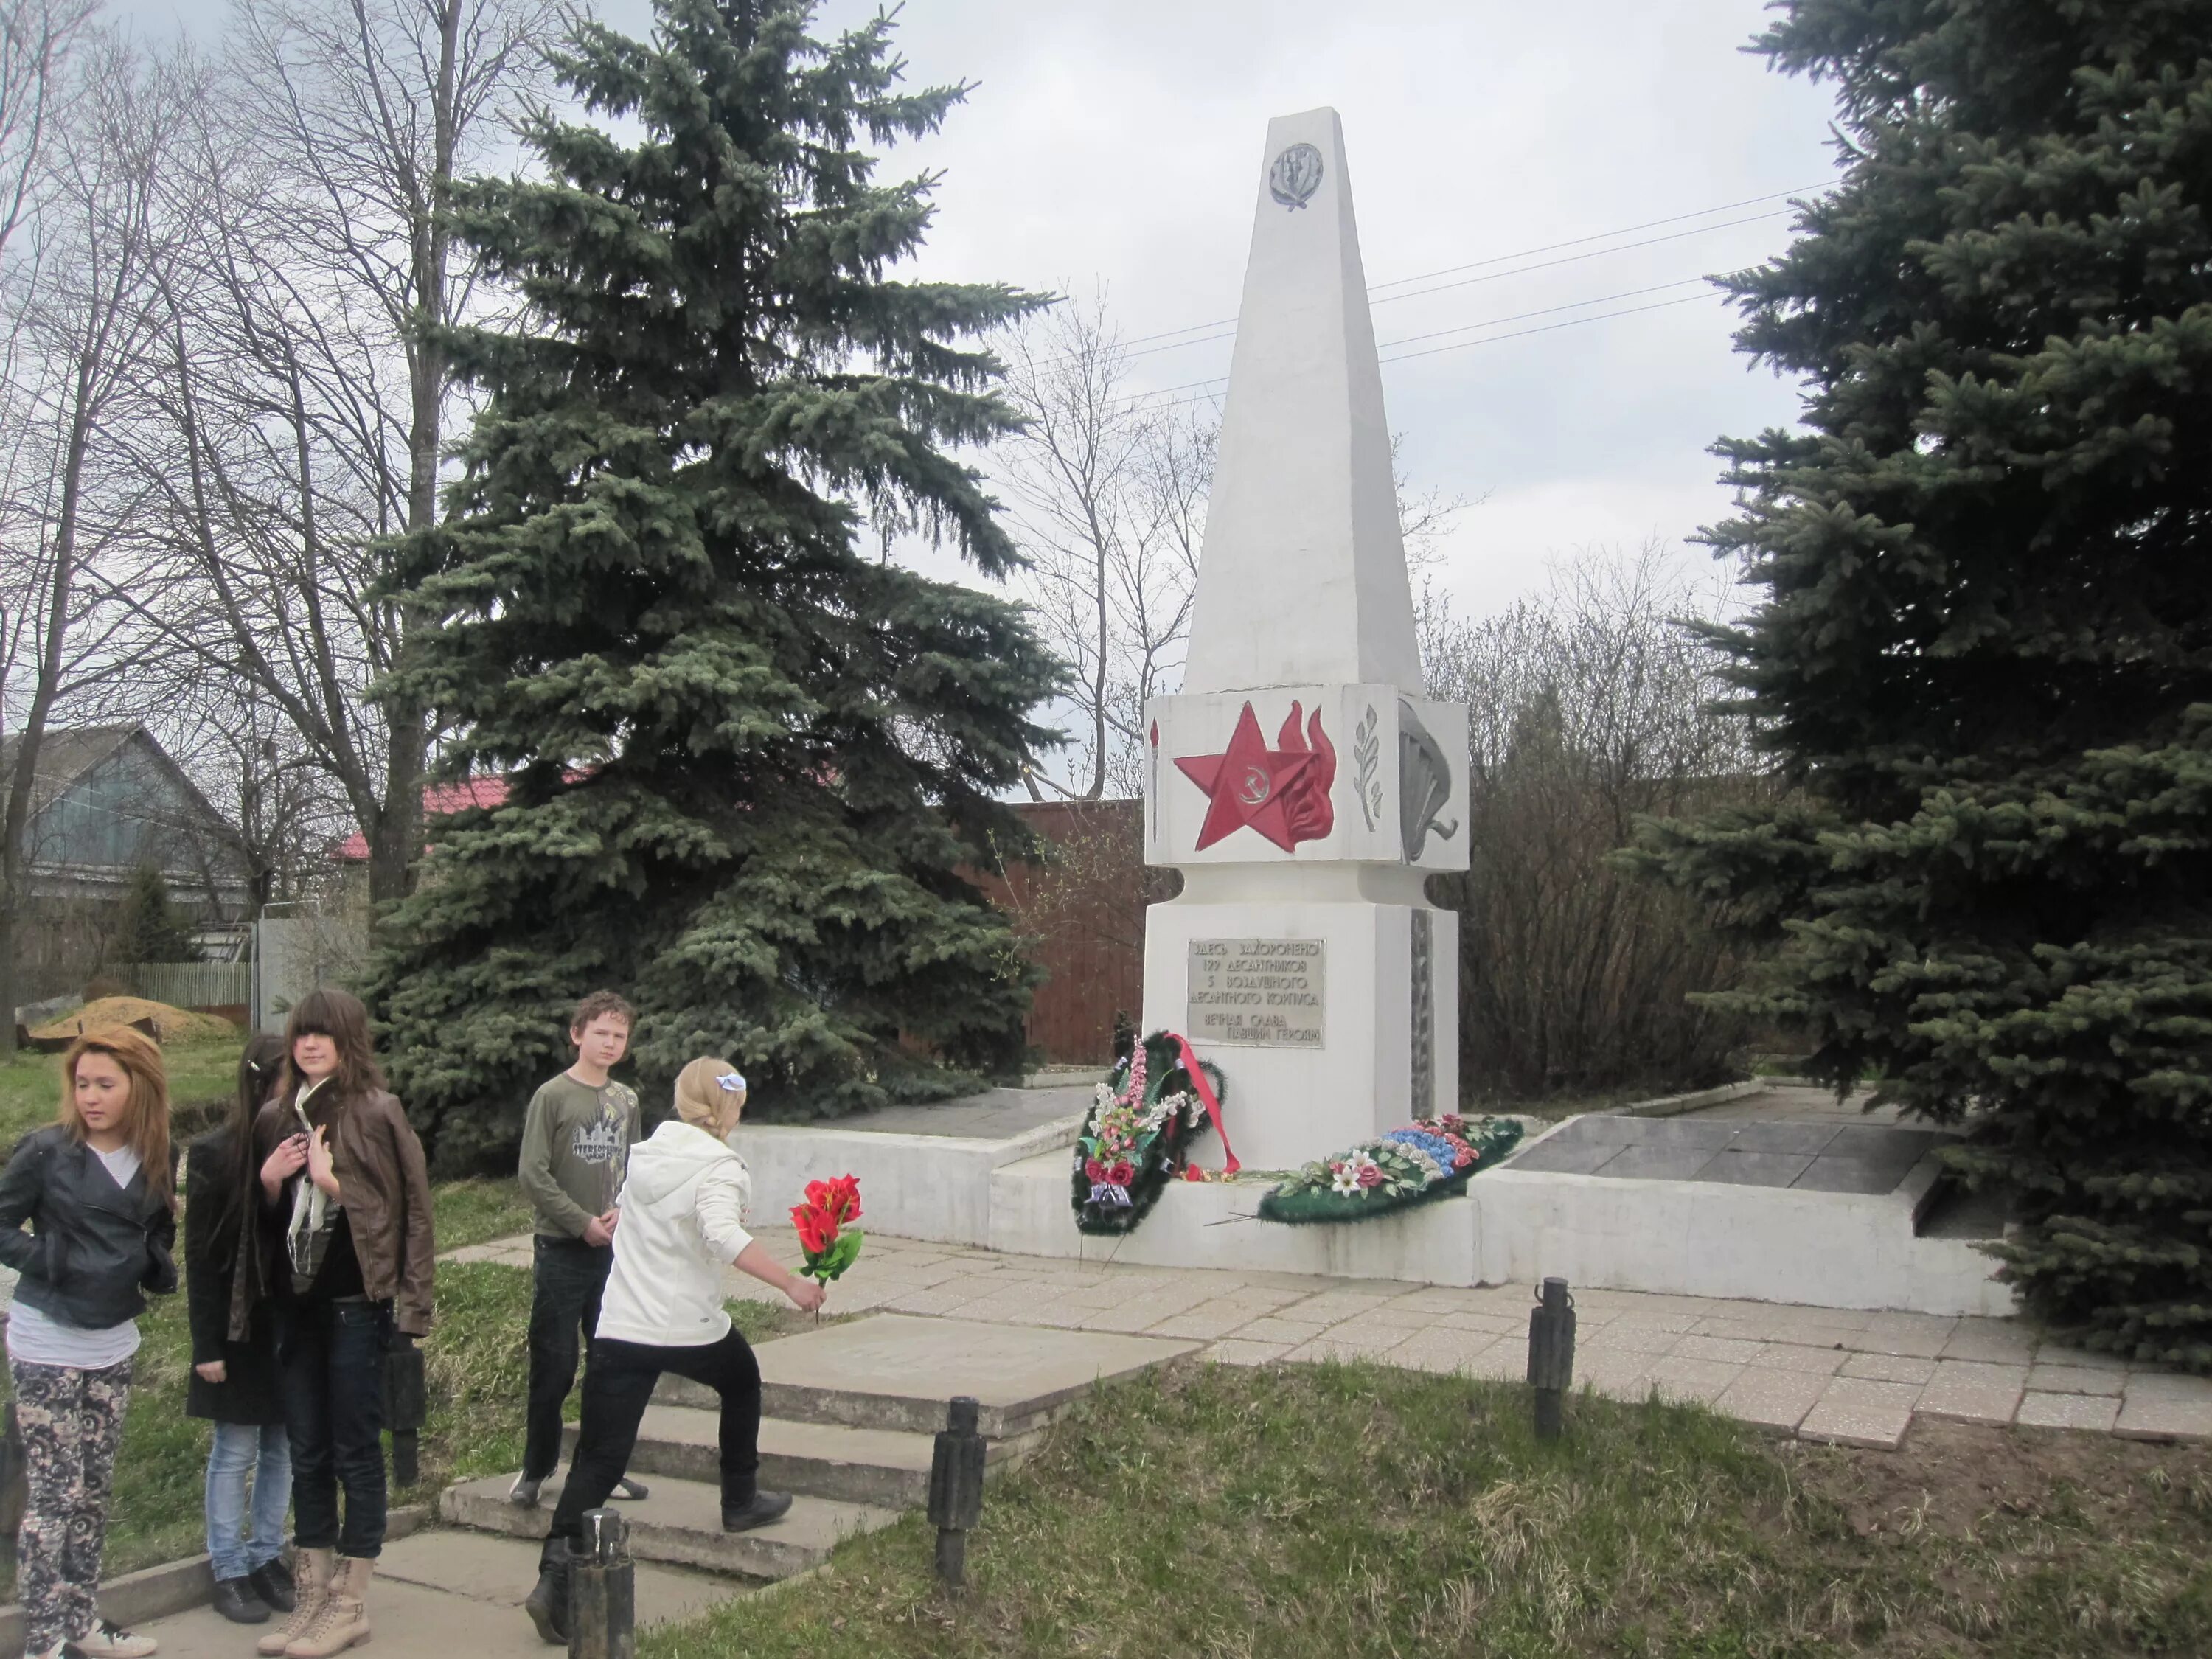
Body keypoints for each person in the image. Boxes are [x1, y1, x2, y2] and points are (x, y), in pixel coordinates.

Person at [524, 1057, 824, 1644]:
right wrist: (790, 1282)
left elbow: (636, 1215)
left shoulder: (646, 1154)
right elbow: (723, 1235)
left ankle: (554, 1576)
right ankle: (739, 1498)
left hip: (623, 1324)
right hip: (688, 1326)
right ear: (730, 1108)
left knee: (600, 1460)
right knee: (741, 1382)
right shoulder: (721, 1166)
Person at [248, 989, 434, 1659]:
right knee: (308, 1453)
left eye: (324, 1035)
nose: (310, 1045)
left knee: (356, 1451)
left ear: (348, 1040)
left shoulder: (377, 1110)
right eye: (302, 1034)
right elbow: (262, 1234)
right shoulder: (276, 1114)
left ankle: (351, 1601)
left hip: (359, 1305)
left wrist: (333, 1186)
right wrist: (271, 1184)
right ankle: (312, 1597)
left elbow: (409, 1209)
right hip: (295, 1310)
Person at [0, 1026, 178, 1659]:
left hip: (112, 1341)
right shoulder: (48, 1152)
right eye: (83, 1085)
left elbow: (158, 1228)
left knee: (94, 1492)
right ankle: (43, 1641)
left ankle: (81, 1620)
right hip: (47, 1337)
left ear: (141, 1087)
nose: (91, 1098)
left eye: (106, 1084)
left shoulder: (159, 1155)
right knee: (55, 1494)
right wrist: (47, 1258)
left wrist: (157, 1261)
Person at [509, 991, 647, 1509]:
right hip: (562, 1251)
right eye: (601, 1033)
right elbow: (533, 1173)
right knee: (555, 1363)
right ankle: (536, 1467)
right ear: (577, 1035)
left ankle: (602, 1468)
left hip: (612, 1253)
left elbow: (635, 1167)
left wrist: (620, 1211)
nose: (611, 1043)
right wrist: (580, 1221)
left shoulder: (626, 1100)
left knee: (610, 1363)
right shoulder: (553, 1097)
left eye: (620, 1035)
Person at [185, 1032, 296, 1626]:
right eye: (289, 1081)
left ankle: (266, 1556)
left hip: (287, 1322)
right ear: (261, 1085)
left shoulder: (304, 1145)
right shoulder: (215, 1153)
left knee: (282, 1443)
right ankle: (227, 1566)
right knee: (235, 1448)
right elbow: (203, 1256)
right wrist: (206, 1344)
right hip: (237, 1326)